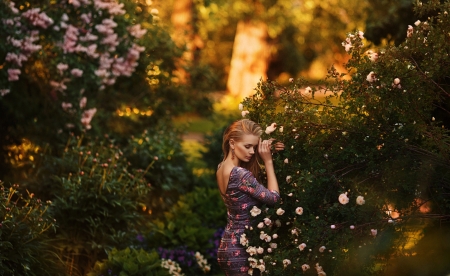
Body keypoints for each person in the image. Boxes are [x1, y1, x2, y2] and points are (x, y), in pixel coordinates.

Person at [216, 119, 284, 275]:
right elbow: (273, 198)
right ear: (232, 143)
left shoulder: (221, 168)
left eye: (254, 147)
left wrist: (268, 147)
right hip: (240, 250)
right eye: (247, 147)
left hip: (228, 245)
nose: (252, 152)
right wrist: (268, 161)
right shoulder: (240, 175)